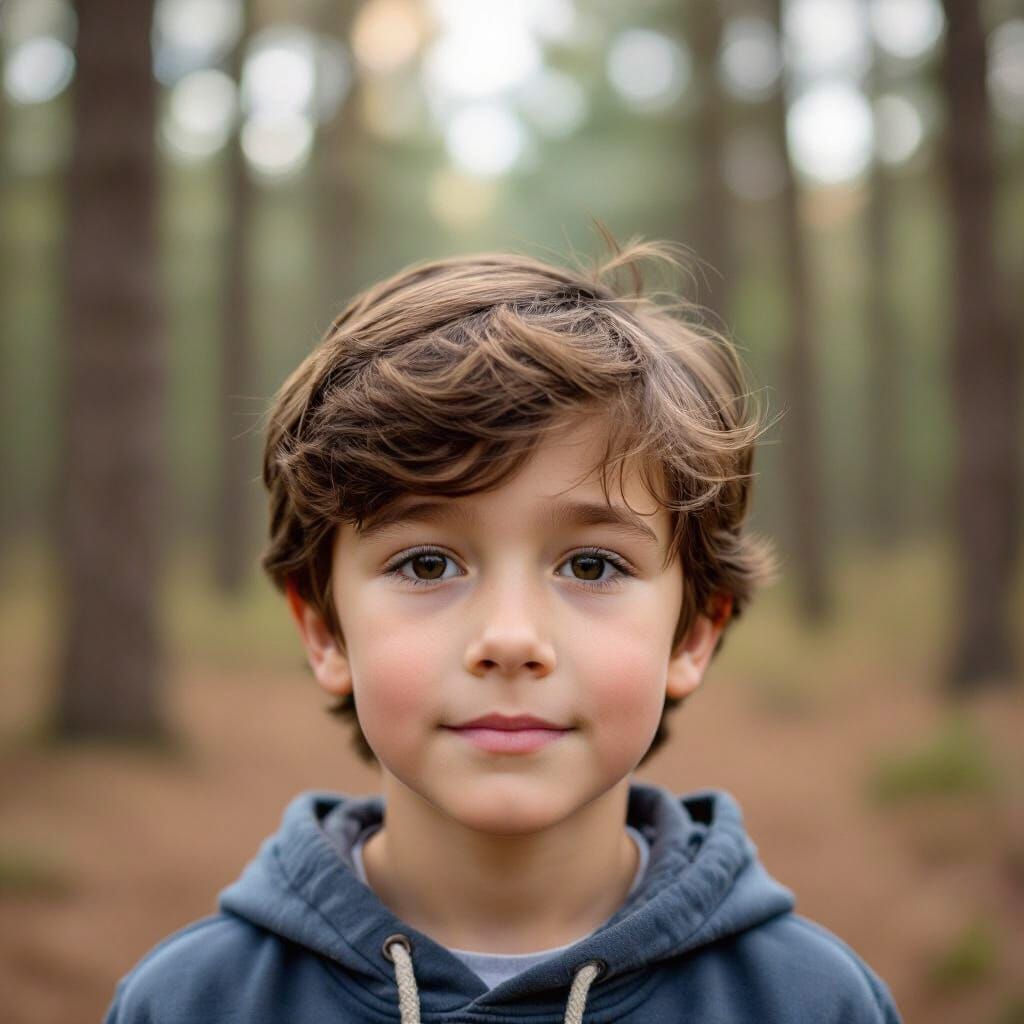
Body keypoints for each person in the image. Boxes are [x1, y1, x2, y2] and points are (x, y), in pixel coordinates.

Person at [103, 235, 902, 1022]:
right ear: (325, 631)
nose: (512, 638)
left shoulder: (814, 1002)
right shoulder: (188, 1002)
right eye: (425, 564)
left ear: (692, 634)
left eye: (591, 566)